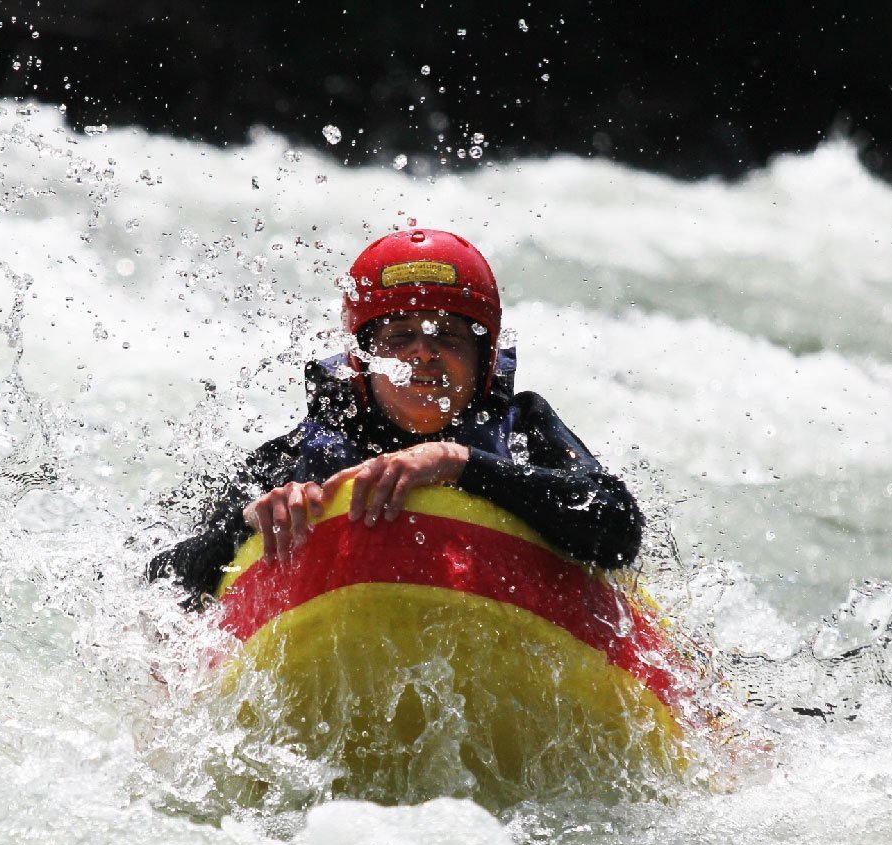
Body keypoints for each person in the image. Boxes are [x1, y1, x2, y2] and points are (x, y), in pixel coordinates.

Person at [148, 228, 643, 601]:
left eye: (448, 336)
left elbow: (620, 528)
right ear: (362, 362)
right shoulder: (298, 456)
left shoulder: (523, 426)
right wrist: (247, 523)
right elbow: (160, 583)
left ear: (484, 359)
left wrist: (457, 461)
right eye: (399, 337)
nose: (423, 354)